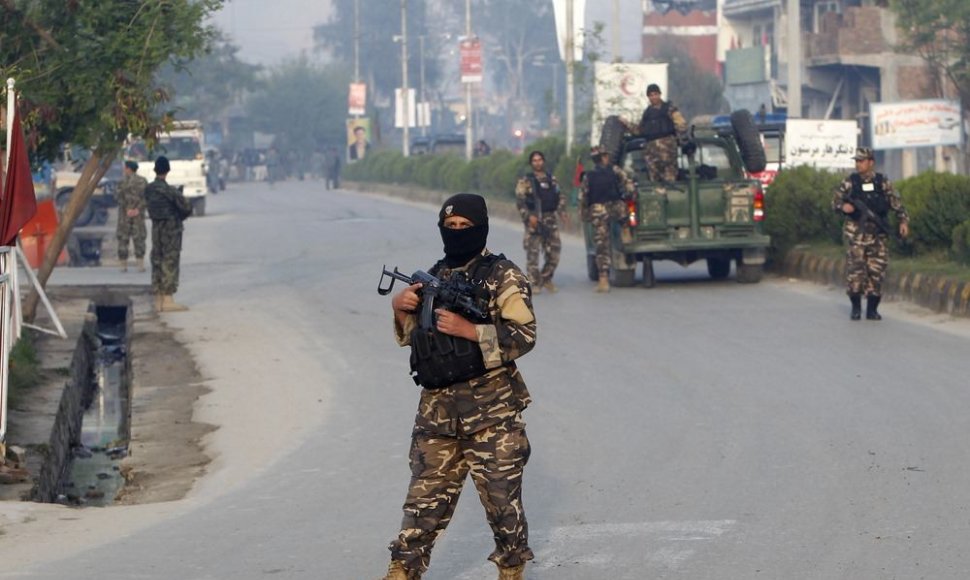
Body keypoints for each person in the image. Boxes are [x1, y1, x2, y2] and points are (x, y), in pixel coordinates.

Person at [383, 193, 536, 580]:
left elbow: (524, 334)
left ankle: (512, 566)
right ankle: (403, 569)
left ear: (480, 229)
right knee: (423, 500)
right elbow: (416, 339)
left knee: (502, 504)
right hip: (438, 411)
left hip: (492, 413)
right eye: (449, 227)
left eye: (464, 227)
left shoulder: (504, 277)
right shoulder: (434, 276)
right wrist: (401, 310)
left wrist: (472, 331)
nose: (456, 233)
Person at [832, 147, 910, 320]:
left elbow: (896, 203)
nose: (858, 164)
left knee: (877, 271)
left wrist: (903, 221)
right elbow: (835, 200)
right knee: (855, 272)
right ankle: (856, 308)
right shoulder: (850, 182)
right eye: (857, 161)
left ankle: (872, 310)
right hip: (856, 235)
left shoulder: (882, 182)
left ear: (871, 162)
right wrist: (843, 207)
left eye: (862, 161)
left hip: (878, 234)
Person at [579, 146, 637, 293]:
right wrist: (631, 196)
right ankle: (626, 230)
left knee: (601, 246)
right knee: (625, 210)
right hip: (616, 207)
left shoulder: (589, 176)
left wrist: (585, 214)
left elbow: (583, 198)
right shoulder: (615, 170)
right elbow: (629, 186)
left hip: (599, 210)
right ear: (604, 157)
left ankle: (603, 279)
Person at [144, 155, 193, 312]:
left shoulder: (149, 189)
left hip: (156, 227)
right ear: (167, 171)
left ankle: (157, 299)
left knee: (157, 258)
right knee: (170, 260)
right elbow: (186, 208)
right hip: (171, 229)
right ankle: (168, 299)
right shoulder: (170, 191)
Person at [514, 150, 567, 293]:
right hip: (534, 220)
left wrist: (562, 211)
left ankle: (546, 278)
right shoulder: (525, 181)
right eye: (534, 160)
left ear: (543, 161)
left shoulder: (551, 179)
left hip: (550, 219)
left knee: (554, 252)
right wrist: (529, 216)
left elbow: (560, 196)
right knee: (533, 253)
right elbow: (520, 202)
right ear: (531, 163)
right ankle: (535, 283)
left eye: (540, 160)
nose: (537, 163)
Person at [624, 83, 688, 182]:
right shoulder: (647, 113)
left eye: (655, 94)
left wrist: (681, 139)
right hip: (651, 151)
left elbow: (681, 124)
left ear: (659, 94)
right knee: (654, 182)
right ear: (648, 97)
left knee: (670, 179)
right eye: (651, 95)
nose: (653, 97)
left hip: (668, 149)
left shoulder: (669, 108)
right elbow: (639, 130)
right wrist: (625, 123)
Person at [115, 160, 148, 273]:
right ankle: (140, 265)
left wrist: (127, 209)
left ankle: (123, 266)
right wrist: (138, 209)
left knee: (123, 239)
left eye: (125, 168)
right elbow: (147, 198)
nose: (124, 170)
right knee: (139, 238)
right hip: (138, 215)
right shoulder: (143, 181)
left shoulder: (122, 182)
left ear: (128, 168)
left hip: (124, 216)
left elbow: (118, 198)